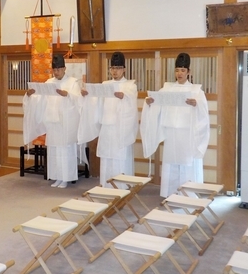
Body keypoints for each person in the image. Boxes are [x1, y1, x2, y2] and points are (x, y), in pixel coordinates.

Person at [140, 53, 210, 198]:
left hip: (187, 134)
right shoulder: (167, 89)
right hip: (171, 133)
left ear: (189, 72)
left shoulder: (196, 91)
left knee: (186, 163)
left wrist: (196, 104)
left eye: (183, 70)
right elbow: (156, 101)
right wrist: (149, 102)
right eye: (177, 70)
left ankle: (188, 195)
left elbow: (203, 112)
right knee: (171, 163)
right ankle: (171, 194)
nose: (179, 73)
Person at [78, 52, 138, 187]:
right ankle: (106, 186)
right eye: (112, 68)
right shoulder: (105, 84)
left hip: (121, 128)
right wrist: (87, 95)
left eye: (118, 68)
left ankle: (122, 187)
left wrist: (123, 96)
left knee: (119, 157)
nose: (115, 71)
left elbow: (131, 103)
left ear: (124, 69)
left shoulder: (130, 85)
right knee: (107, 156)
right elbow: (96, 102)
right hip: (107, 125)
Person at [23, 54, 82, 188]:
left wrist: (67, 95)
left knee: (65, 151)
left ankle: (66, 178)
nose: (56, 72)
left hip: (66, 123)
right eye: (54, 70)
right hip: (52, 121)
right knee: (54, 151)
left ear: (64, 68)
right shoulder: (49, 83)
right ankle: (57, 177)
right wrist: (30, 95)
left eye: (59, 69)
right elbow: (40, 99)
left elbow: (79, 100)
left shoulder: (73, 82)